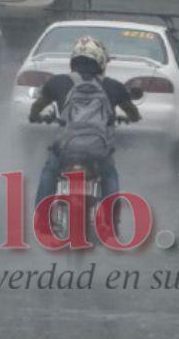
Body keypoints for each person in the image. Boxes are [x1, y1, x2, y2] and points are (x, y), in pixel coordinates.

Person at [29, 36, 141, 209]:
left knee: (50, 170)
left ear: (73, 60)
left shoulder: (58, 82)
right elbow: (133, 113)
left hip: (67, 148)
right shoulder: (113, 86)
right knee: (109, 173)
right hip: (98, 148)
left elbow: (36, 108)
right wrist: (128, 118)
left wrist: (36, 117)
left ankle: (42, 213)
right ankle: (111, 216)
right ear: (100, 60)